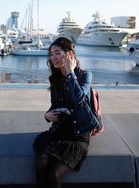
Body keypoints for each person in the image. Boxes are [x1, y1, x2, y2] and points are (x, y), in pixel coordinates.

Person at [33, 37, 98, 188]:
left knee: (54, 174)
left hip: (77, 136)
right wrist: (47, 115)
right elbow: (55, 105)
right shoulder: (55, 78)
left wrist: (70, 73)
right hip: (59, 132)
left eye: (57, 53)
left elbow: (79, 100)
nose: (53, 57)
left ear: (69, 54)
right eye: (51, 54)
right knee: (40, 164)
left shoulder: (85, 75)